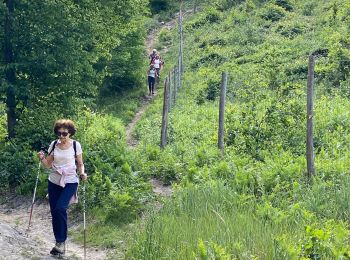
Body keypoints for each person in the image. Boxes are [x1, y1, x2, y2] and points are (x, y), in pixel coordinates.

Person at [37, 119, 87, 257]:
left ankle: (61, 241)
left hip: (70, 181)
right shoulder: (54, 145)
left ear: (70, 133)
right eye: (59, 133)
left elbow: (80, 163)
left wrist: (82, 173)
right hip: (54, 181)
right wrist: (41, 158)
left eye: (64, 133)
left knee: (60, 208)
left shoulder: (76, 145)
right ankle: (59, 244)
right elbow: (48, 164)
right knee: (55, 212)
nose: (61, 136)